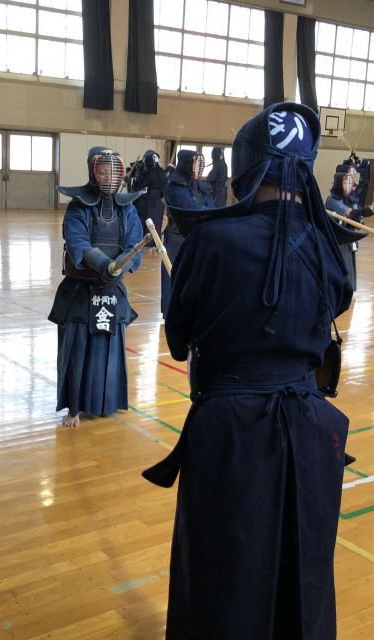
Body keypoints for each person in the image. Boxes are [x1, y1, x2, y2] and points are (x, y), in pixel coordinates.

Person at [143, 103, 355, 639]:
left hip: (231, 436)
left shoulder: (209, 241)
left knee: (222, 575)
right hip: (310, 434)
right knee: (303, 571)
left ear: (245, 168)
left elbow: (179, 342)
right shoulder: (328, 250)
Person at [48, 147, 143, 428]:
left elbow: (134, 244)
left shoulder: (128, 209)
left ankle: (106, 403)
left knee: (108, 349)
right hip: (81, 290)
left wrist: (120, 267)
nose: (109, 177)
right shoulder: (78, 207)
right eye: (103, 170)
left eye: (115, 171)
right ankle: (74, 409)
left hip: (112, 291)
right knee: (78, 351)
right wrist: (104, 265)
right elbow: (77, 241)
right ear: (93, 171)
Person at [161, 150, 215, 317]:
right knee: (173, 278)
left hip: (199, 238)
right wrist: (205, 212)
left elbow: (212, 209)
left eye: (199, 164)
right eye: (194, 164)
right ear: (186, 164)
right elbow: (190, 208)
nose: (198, 168)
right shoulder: (174, 187)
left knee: (198, 278)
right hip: (176, 239)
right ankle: (171, 315)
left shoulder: (203, 187)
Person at [325, 160, 372, 290]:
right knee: (339, 265)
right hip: (337, 239)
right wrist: (367, 211)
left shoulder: (351, 199)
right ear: (339, 183)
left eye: (351, 181)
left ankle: (348, 290)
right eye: (347, 182)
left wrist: (360, 219)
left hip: (348, 238)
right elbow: (349, 212)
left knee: (349, 265)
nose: (351, 185)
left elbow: (357, 219)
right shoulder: (332, 200)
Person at [131, 149, 166, 250]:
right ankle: (153, 245)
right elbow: (163, 189)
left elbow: (138, 187)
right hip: (156, 203)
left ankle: (146, 245)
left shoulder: (148, 173)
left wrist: (137, 176)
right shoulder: (160, 172)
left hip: (146, 203)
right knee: (154, 227)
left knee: (147, 227)